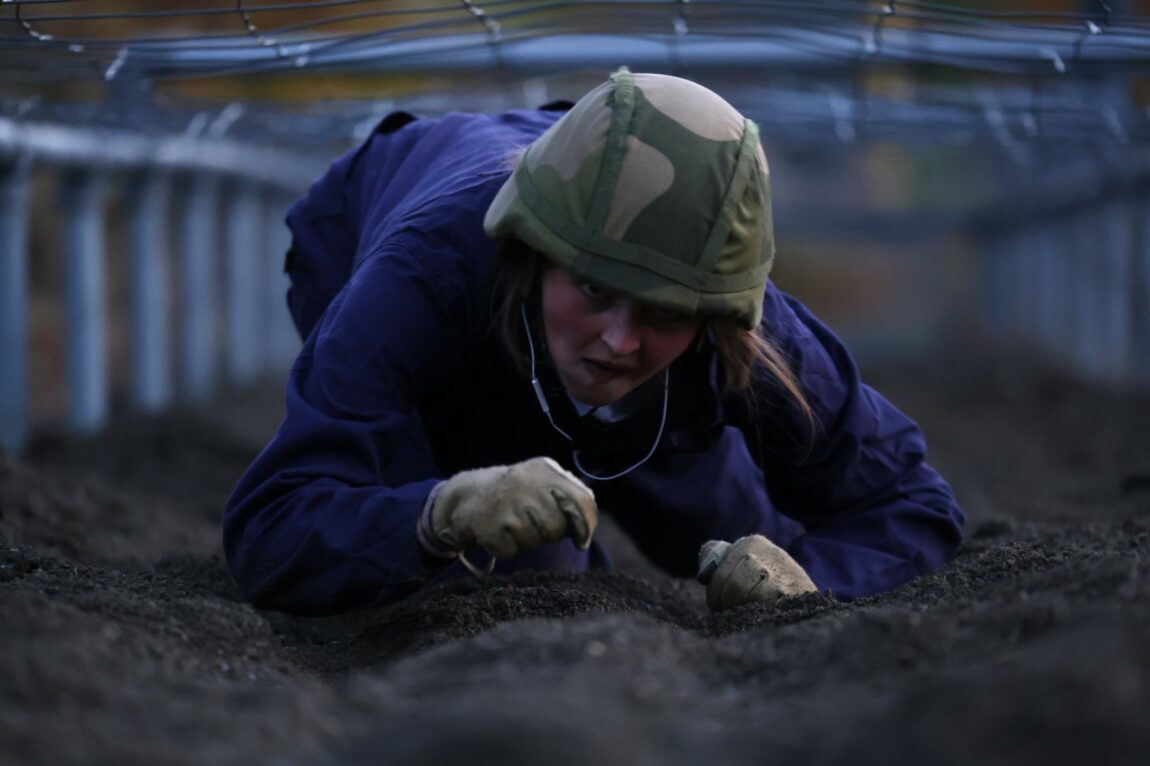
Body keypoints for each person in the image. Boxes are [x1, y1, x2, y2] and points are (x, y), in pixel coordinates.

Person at [223, 68, 964, 616]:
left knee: (735, 547)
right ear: (535, 252)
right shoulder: (420, 278)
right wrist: (436, 513)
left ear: (717, 320)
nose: (618, 341)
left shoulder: (758, 332)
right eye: (595, 291)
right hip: (429, 294)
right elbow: (272, 527)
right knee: (491, 580)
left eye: (664, 314)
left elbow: (908, 506)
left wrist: (818, 583)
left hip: (650, 395)